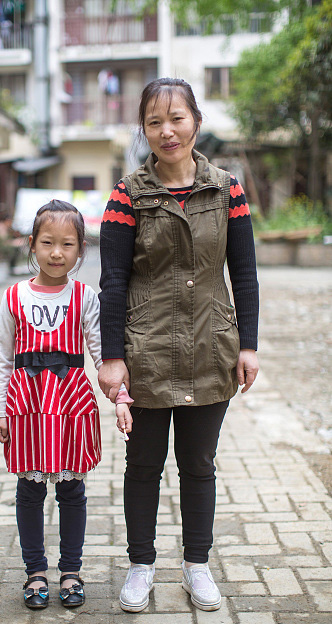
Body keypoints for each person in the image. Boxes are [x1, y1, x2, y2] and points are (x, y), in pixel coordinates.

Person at [98, 77, 259, 613]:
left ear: (196, 121)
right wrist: (114, 357)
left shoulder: (227, 189)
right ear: (143, 130)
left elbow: (245, 274)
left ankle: (197, 566)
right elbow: (113, 280)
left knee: (199, 463)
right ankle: (140, 567)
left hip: (212, 345)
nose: (167, 131)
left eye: (177, 118)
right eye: (153, 122)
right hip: (146, 350)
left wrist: (249, 345)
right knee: (143, 464)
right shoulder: (127, 194)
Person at [0, 200, 132, 610]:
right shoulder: (14, 296)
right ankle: (35, 572)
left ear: (80, 249)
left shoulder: (86, 297)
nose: (57, 253)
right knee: (29, 492)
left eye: (67, 244)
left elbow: (102, 354)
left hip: (71, 405)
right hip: (27, 405)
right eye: (48, 243)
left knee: (72, 490)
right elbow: (2, 356)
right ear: (32, 245)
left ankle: (71, 571)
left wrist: (121, 397)